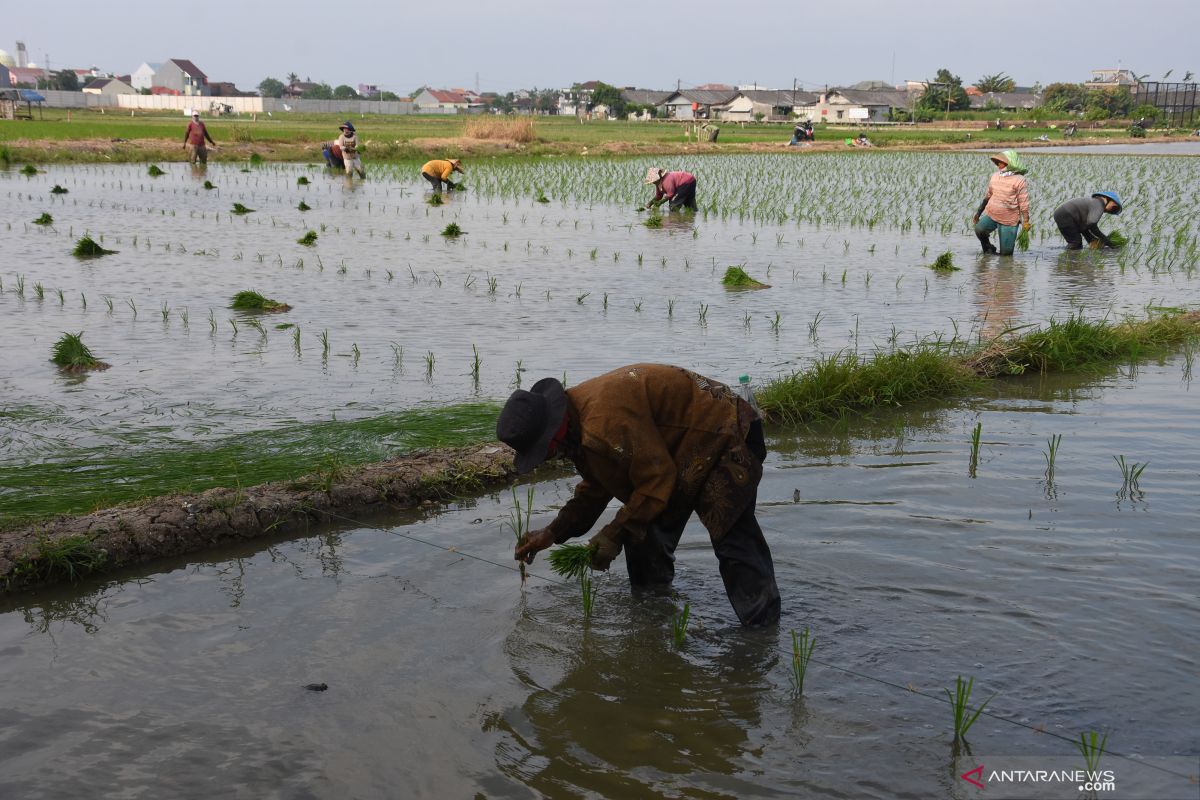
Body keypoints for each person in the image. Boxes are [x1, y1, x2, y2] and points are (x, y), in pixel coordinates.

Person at [499, 364, 780, 627]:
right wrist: (552, 532)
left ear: (553, 434)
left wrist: (613, 533)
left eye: (543, 451)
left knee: (732, 539)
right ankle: (654, 621)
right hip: (678, 456)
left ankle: (761, 635)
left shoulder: (603, 423)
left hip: (724, 433)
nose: (546, 458)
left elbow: (656, 480)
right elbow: (597, 487)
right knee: (642, 534)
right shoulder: (577, 428)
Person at [972, 150, 1030, 255]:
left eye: (1001, 162)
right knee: (979, 230)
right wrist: (978, 213)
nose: (999, 164)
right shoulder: (995, 176)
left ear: (1010, 163)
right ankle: (989, 249)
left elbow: (1023, 203)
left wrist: (1026, 221)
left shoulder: (1020, 180)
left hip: (1009, 221)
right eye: (998, 162)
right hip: (992, 215)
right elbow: (988, 195)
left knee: (1006, 255)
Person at [1052, 192, 1123, 250]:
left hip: (1064, 214)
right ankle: (1066, 260)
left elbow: (1085, 228)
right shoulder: (1099, 204)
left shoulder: (1095, 202)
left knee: (1077, 244)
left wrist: (1093, 240)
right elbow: (1092, 224)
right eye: (1114, 208)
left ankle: (1070, 261)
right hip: (1065, 214)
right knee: (1075, 244)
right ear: (1112, 202)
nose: (1108, 211)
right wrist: (1106, 240)